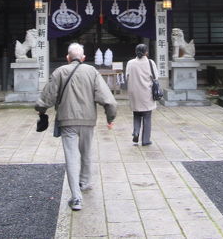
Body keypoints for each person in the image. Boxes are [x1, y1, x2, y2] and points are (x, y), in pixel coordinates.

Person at [35, 43, 117, 211]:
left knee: (72, 157)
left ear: (67, 57)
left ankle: (76, 197)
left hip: (67, 121)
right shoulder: (92, 72)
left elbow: (47, 98)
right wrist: (110, 117)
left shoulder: (59, 72)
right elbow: (108, 99)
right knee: (86, 152)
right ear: (84, 58)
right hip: (88, 120)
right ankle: (85, 182)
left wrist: (41, 111)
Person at [125, 43, 158, 146]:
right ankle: (145, 140)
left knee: (136, 115)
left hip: (135, 93)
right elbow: (156, 77)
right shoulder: (150, 62)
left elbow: (127, 77)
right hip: (146, 93)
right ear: (146, 52)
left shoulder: (130, 63)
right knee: (147, 117)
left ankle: (136, 132)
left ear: (136, 51)